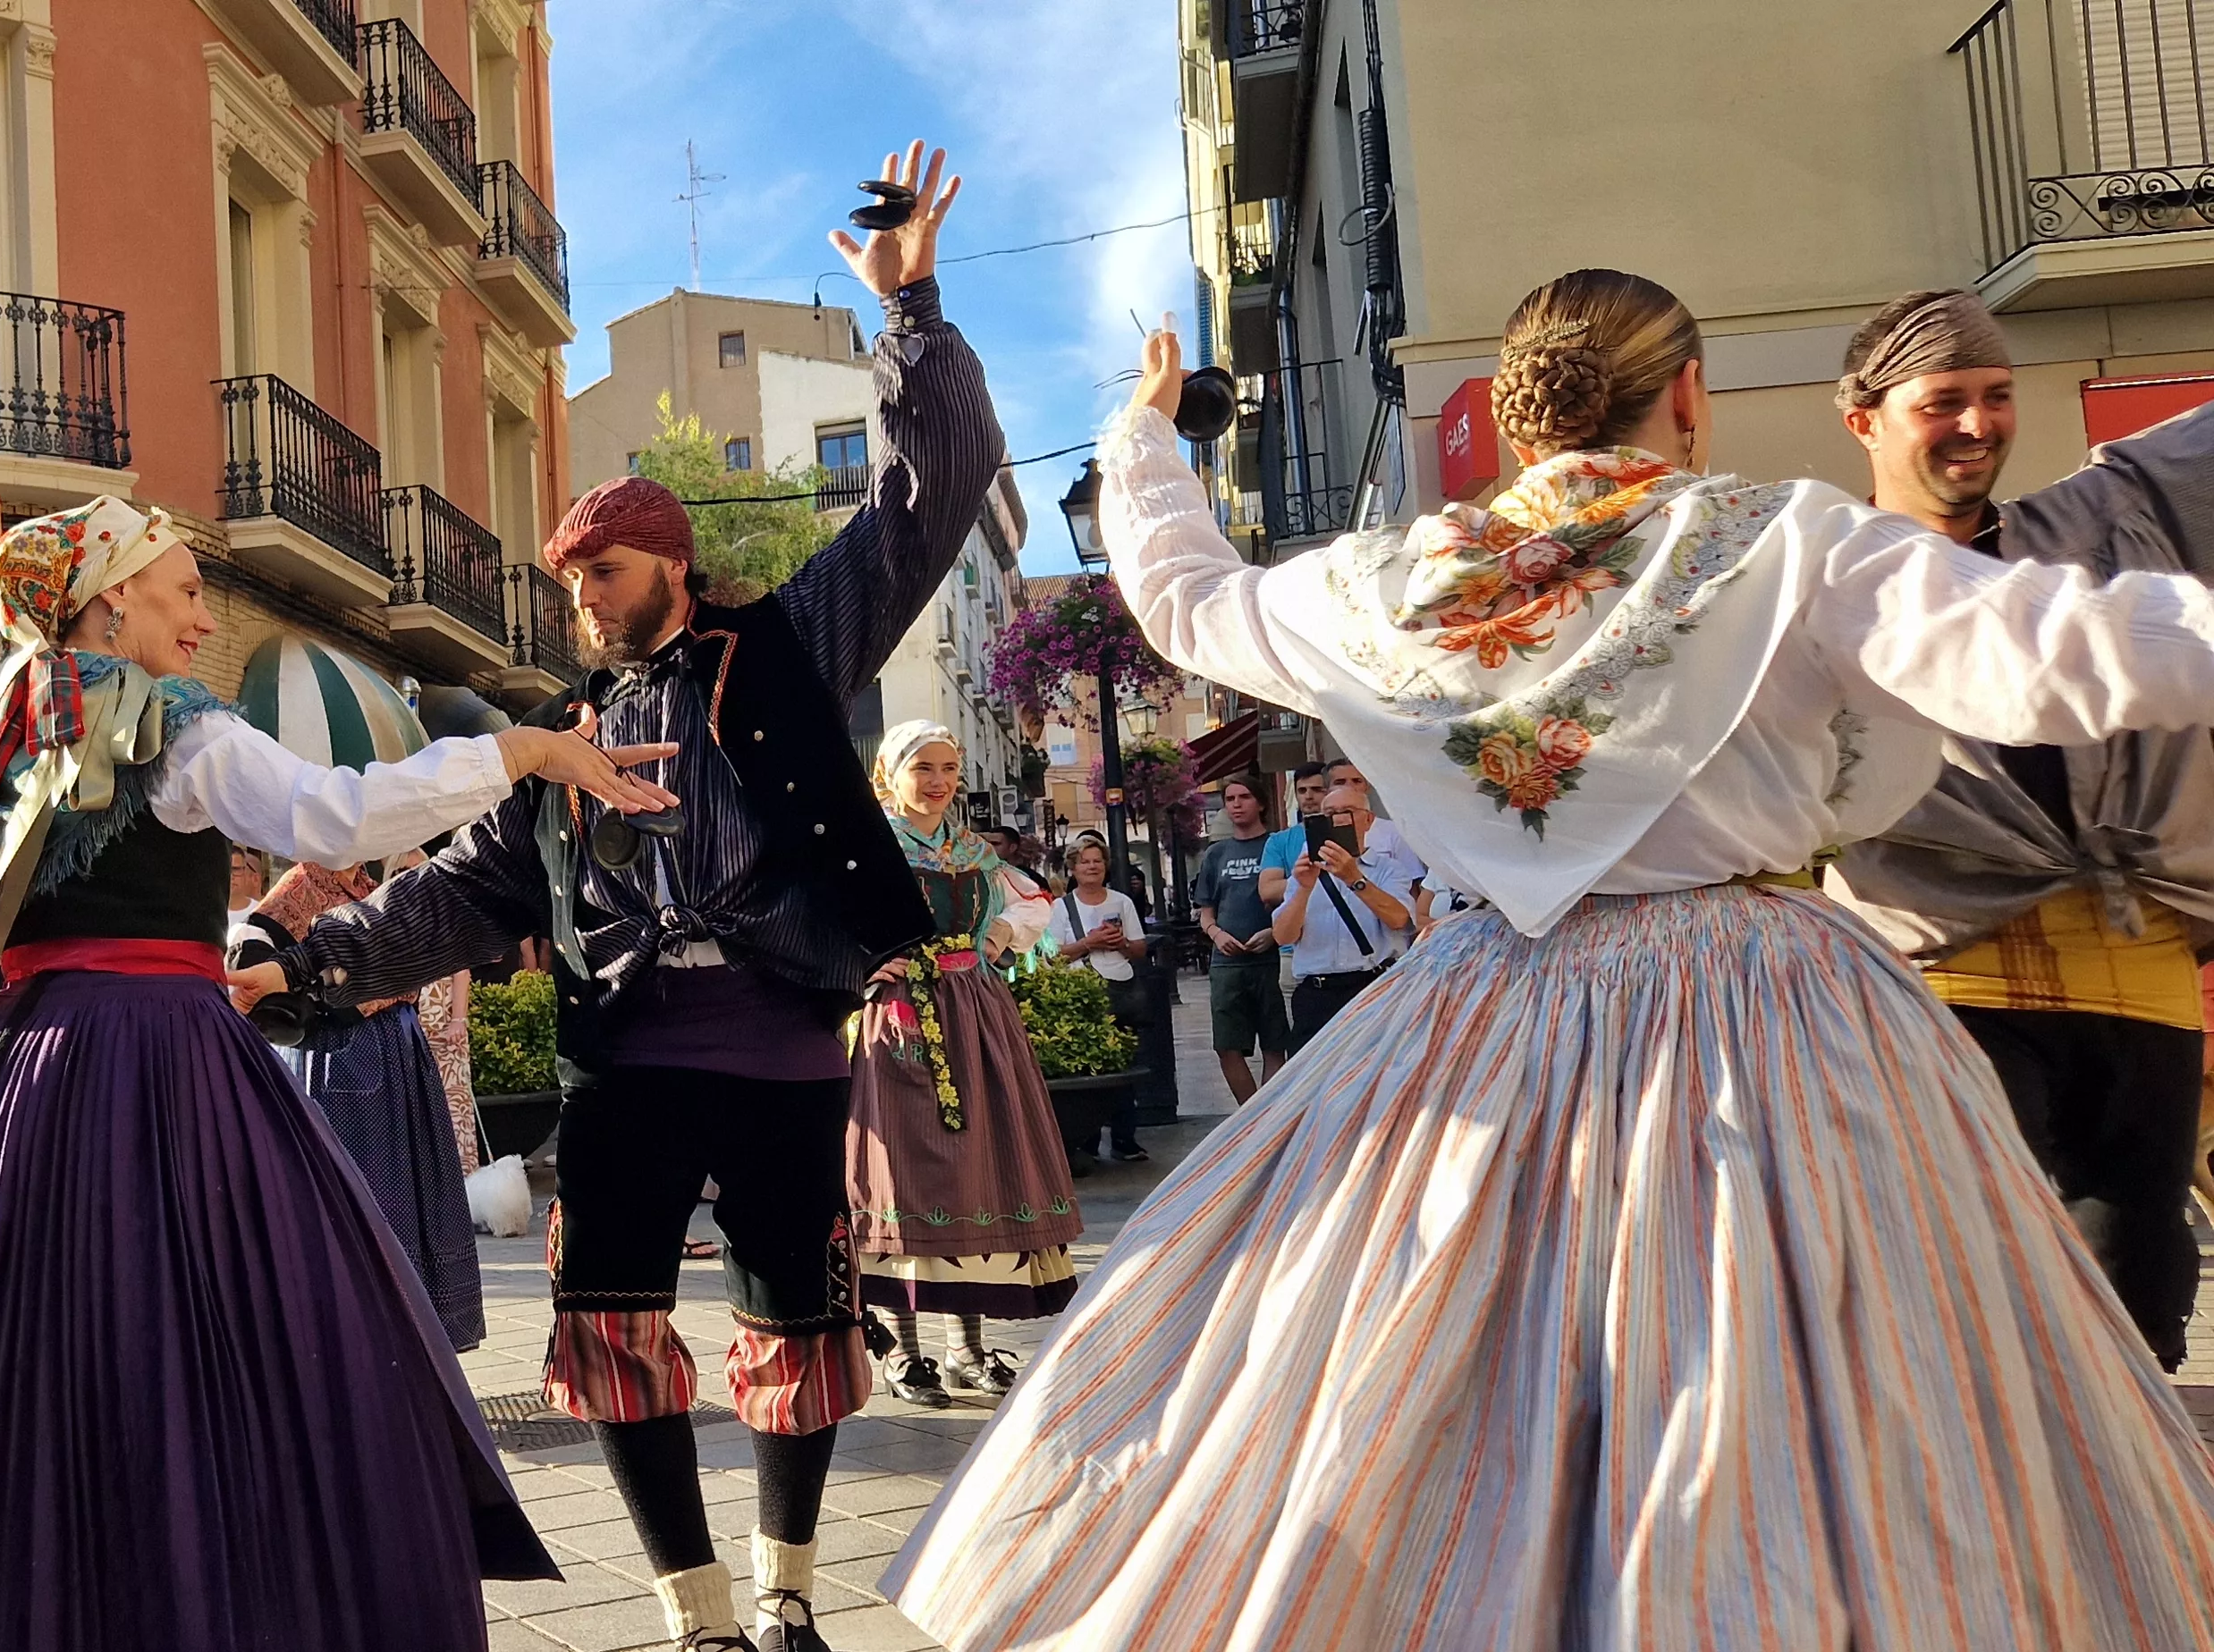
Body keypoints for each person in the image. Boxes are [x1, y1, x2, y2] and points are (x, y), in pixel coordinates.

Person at [886, 274, 2214, 1648]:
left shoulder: (1392, 581)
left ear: (1521, 424)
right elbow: (2055, 654)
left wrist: (1148, 439)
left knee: (1421, 1376)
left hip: (1482, 1006)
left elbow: (1185, 600)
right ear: (1688, 394)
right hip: (1764, 1006)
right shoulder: (1787, 541)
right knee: (1797, 1373)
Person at [0, 490, 677, 1651]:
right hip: (160, 1058)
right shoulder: (172, 726)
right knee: (231, 1334)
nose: (203, 616)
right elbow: (334, 817)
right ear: (111, 603)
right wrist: (526, 748)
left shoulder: (7, 726)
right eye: (181, 591)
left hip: (16, 1069)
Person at [257, 141, 999, 1652]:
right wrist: (301, 963)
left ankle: (787, 1595)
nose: (580, 600)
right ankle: (699, 1618)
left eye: (600, 573)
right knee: (607, 1329)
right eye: (574, 580)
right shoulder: (565, 740)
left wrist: (908, 308)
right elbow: (459, 894)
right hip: (630, 1062)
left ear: (667, 561)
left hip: (787, 1041)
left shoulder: (788, 647)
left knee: (801, 1325)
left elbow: (934, 498)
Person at [1821, 289, 2214, 1370]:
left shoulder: (2100, 523)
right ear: (1864, 418)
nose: (1978, 424)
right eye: (1942, 401)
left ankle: (2122, 1522)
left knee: (2138, 1293)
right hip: (1944, 973)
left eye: (1996, 397)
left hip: (2135, 960)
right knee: (1980, 1277)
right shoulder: (1818, 575)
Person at [848, 722, 1081, 1412]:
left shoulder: (975, 851)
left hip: (976, 1015)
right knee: (911, 1176)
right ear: (890, 774)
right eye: (924, 766)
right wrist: (860, 964)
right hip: (900, 1020)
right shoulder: (868, 844)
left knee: (975, 1169)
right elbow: (813, 909)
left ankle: (966, 1351)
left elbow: (1033, 901)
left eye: (949, 766)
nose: (940, 780)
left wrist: (1002, 937)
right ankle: (905, 1351)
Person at [244, 854, 491, 1351]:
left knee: (415, 1190)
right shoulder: (294, 890)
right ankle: (370, 1340)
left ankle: (420, 1340)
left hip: (398, 1049)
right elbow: (254, 974)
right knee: (368, 1197)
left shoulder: (363, 883)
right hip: (344, 1060)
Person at [1266, 773, 1420, 1041]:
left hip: (1372, 987)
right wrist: (1303, 889)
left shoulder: (1388, 870)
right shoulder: (1304, 872)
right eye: (1329, 813)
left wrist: (1354, 878)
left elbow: (1400, 920)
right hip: (1317, 994)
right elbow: (1283, 936)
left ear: (1368, 820)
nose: (1336, 820)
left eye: (1347, 812)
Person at [1044, 839, 1146, 1167]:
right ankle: (1086, 1140)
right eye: (1085, 862)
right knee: (1087, 1069)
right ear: (1073, 869)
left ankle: (1124, 1137)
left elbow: (1141, 948)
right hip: (1082, 995)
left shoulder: (1122, 902)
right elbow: (1051, 955)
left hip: (1120, 990)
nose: (1092, 867)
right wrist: (1088, 943)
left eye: (1097, 861)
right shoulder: (1061, 908)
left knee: (1124, 1066)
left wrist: (1123, 943)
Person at [1191, 772, 1289, 1100]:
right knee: (1227, 1047)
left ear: (1260, 803)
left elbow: (1299, 900)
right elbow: (1206, 910)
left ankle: (1270, 1116)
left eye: (1244, 797)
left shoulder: (1278, 845)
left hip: (1271, 960)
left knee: (1276, 1043)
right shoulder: (1216, 854)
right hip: (1227, 964)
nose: (1236, 805)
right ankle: (1251, 1118)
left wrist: (1274, 934)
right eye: (1230, 799)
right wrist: (1216, 934)